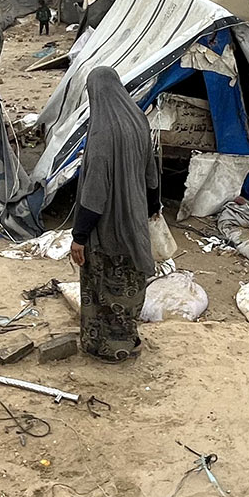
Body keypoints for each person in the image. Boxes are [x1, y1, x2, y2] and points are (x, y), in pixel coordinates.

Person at [68, 67, 158, 359]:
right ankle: (129, 339)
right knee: (128, 286)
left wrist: (79, 235)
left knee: (103, 287)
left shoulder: (101, 134)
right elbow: (151, 176)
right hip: (134, 221)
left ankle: (106, 349)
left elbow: (95, 195)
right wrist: (149, 209)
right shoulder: (138, 121)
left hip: (107, 227)